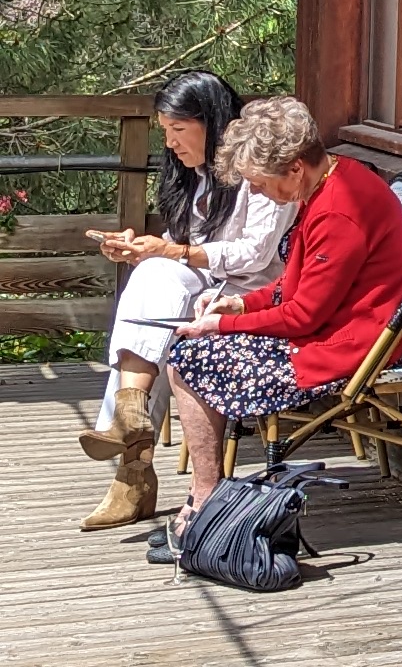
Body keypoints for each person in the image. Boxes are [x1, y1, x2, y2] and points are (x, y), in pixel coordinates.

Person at [162, 99, 402, 552]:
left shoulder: (338, 211)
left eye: (260, 183)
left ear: (295, 168)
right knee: (190, 353)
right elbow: (294, 287)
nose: (257, 193)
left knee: (190, 359)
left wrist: (222, 327)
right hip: (328, 329)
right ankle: (207, 503)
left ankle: (204, 504)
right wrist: (238, 304)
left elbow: (302, 317)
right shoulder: (333, 178)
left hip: (346, 346)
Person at [76, 75, 292, 531]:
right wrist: (140, 247)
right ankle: (131, 414)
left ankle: (132, 474)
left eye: (178, 129)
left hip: (251, 292)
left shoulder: (262, 169)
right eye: (165, 131)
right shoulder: (195, 175)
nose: (170, 143)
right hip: (206, 283)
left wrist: (173, 252)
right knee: (153, 280)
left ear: (211, 123)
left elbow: (254, 254)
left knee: (159, 324)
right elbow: (187, 245)